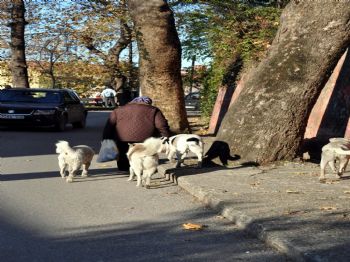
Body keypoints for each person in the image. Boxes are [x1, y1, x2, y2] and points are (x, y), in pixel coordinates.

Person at [102, 96, 171, 171]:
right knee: (145, 153)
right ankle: (144, 167)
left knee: (123, 152)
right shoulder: (154, 110)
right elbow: (161, 124)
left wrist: (105, 138)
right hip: (146, 138)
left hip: (122, 138)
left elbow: (109, 126)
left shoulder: (118, 110)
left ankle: (124, 167)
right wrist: (166, 135)